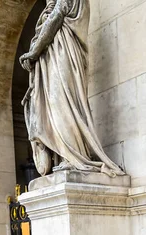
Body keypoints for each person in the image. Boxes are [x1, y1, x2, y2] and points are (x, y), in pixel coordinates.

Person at [19, 0, 122, 177]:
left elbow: (58, 14)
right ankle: (66, 156)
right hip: (58, 52)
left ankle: (74, 155)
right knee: (58, 104)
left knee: (62, 103)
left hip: (63, 52)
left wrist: (34, 50)